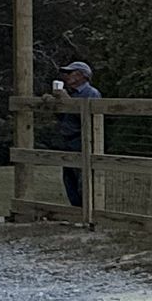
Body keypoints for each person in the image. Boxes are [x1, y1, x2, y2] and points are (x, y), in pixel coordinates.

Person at [53, 61, 101, 207]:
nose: (66, 76)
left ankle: (87, 212)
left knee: (83, 178)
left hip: (82, 141)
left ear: (81, 75)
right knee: (69, 179)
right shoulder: (70, 94)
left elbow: (89, 119)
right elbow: (63, 118)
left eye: (70, 73)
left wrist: (67, 101)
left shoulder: (91, 93)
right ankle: (76, 211)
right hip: (67, 141)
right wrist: (53, 103)